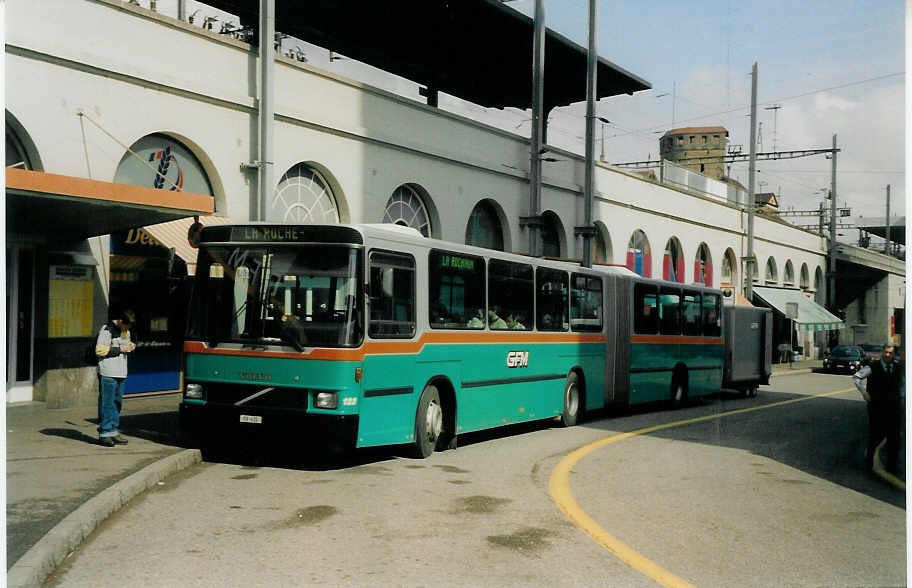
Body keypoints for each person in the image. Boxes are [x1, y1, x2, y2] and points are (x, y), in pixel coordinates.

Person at [853, 343, 904, 473]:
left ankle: (892, 466)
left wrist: (902, 397)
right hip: (877, 407)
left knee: (894, 438)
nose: (887, 355)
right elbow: (857, 377)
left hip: (894, 408)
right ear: (882, 352)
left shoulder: (899, 367)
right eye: (886, 352)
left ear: (894, 354)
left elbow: (904, 383)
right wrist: (864, 394)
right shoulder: (872, 366)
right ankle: (869, 463)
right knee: (875, 435)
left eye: (890, 353)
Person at [95, 308, 136, 447]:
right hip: (108, 372)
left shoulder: (124, 331)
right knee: (107, 403)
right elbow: (99, 350)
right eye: (126, 326)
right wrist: (120, 349)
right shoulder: (107, 330)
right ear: (119, 321)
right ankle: (105, 433)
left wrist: (130, 346)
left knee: (117, 402)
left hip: (121, 371)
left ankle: (113, 430)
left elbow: (125, 345)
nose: (127, 329)